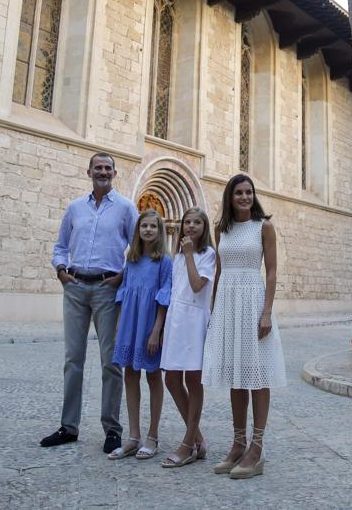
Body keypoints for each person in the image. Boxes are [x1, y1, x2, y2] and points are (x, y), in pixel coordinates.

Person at [41, 152, 138, 453]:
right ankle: (69, 427)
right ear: (89, 172)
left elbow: (139, 247)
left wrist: (123, 276)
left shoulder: (125, 208)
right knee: (73, 360)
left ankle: (112, 429)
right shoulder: (73, 209)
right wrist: (60, 270)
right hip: (75, 287)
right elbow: (60, 246)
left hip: (108, 289)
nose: (103, 172)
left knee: (111, 362)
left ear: (115, 173)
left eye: (108, 168)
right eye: (98, 167)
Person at [202, 174, 286, 479]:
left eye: (249, 192)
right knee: (236, 375)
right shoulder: (221, 229)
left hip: (253, 304)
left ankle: (257, 446)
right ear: (230, 196)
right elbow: (219, 272)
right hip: (228, 305)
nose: (244, 197)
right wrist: (214, 312)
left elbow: (273, 272)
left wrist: (266, 312)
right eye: (238, 192)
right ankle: (238, 443)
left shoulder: (264, 227)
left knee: (258, 373)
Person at [107, 209, 173, 460]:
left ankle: (152, 436)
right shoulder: (131, 260)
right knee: (130, 375)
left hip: (150, 327)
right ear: (138, 231)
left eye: (153, 227)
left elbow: (164, 299)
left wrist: (156, 331)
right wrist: (119, 327)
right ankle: (133, 436)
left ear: (159, 231)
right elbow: (123, 293)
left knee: (153, 377)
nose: (147, 230)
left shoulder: (164, 262)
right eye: (143, 226)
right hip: (130, 325)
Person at [160, 207, 216, 469]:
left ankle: (188, 443)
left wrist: (191, 254)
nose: (191, 226)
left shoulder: (207, 255)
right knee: (171, 378)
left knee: (193, 379)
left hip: (194, 321)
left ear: (204, 228)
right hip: (176, 318)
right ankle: (198, 439)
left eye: (197, 223)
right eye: (187, 222)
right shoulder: (179, 256)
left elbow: (197, 286)